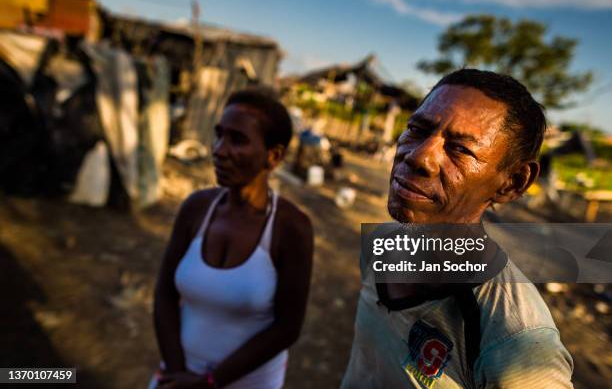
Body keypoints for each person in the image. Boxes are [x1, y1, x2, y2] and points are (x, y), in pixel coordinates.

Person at [341, 69, 574, 388]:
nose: (419, 156)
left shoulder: (515, 341)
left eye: (461, 149)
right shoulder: (382, 243)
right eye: (416, 129)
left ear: (512, 183)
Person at [152, 88, 314, 389]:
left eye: (237, 140)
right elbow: (164, 293)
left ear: (273, 156)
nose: (219, 149)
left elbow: (287, 328)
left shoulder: (291, 228)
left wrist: (210, 382)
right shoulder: (196, 208)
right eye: (219, 135)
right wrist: (177, 373)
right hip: (180, 374)